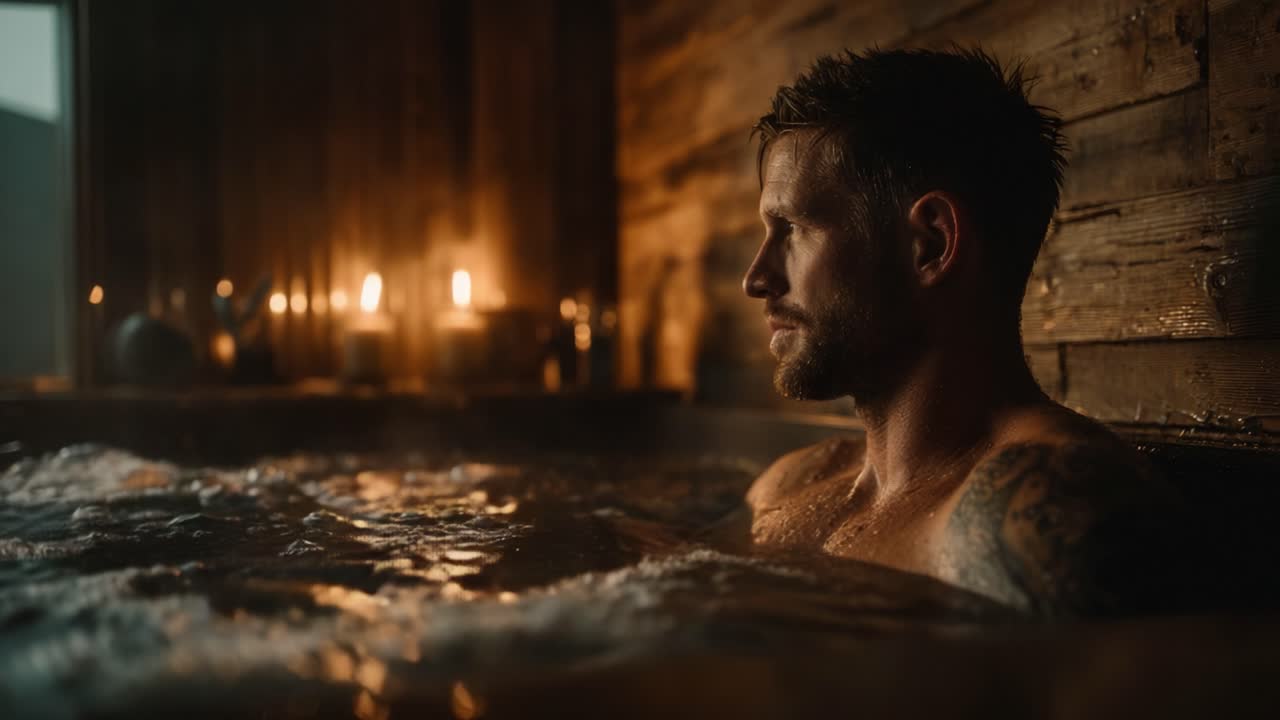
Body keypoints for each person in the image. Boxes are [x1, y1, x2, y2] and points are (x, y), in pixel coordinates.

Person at [738, 48, 1181, 617]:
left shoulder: (1049, 511)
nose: (756, 278)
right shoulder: (789, 483)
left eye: (792, 228)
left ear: (931, 244)